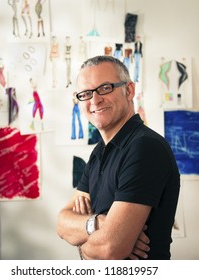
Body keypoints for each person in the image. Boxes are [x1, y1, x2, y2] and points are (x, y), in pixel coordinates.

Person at [57, 55, 180, 260]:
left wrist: (82, 242)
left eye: (105, 88)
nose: (95, 100)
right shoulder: (100, 152)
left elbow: (109, 249)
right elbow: (62, 222)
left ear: (129, 90)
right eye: (86, 93)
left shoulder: (145, 147)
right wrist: (98, 224)